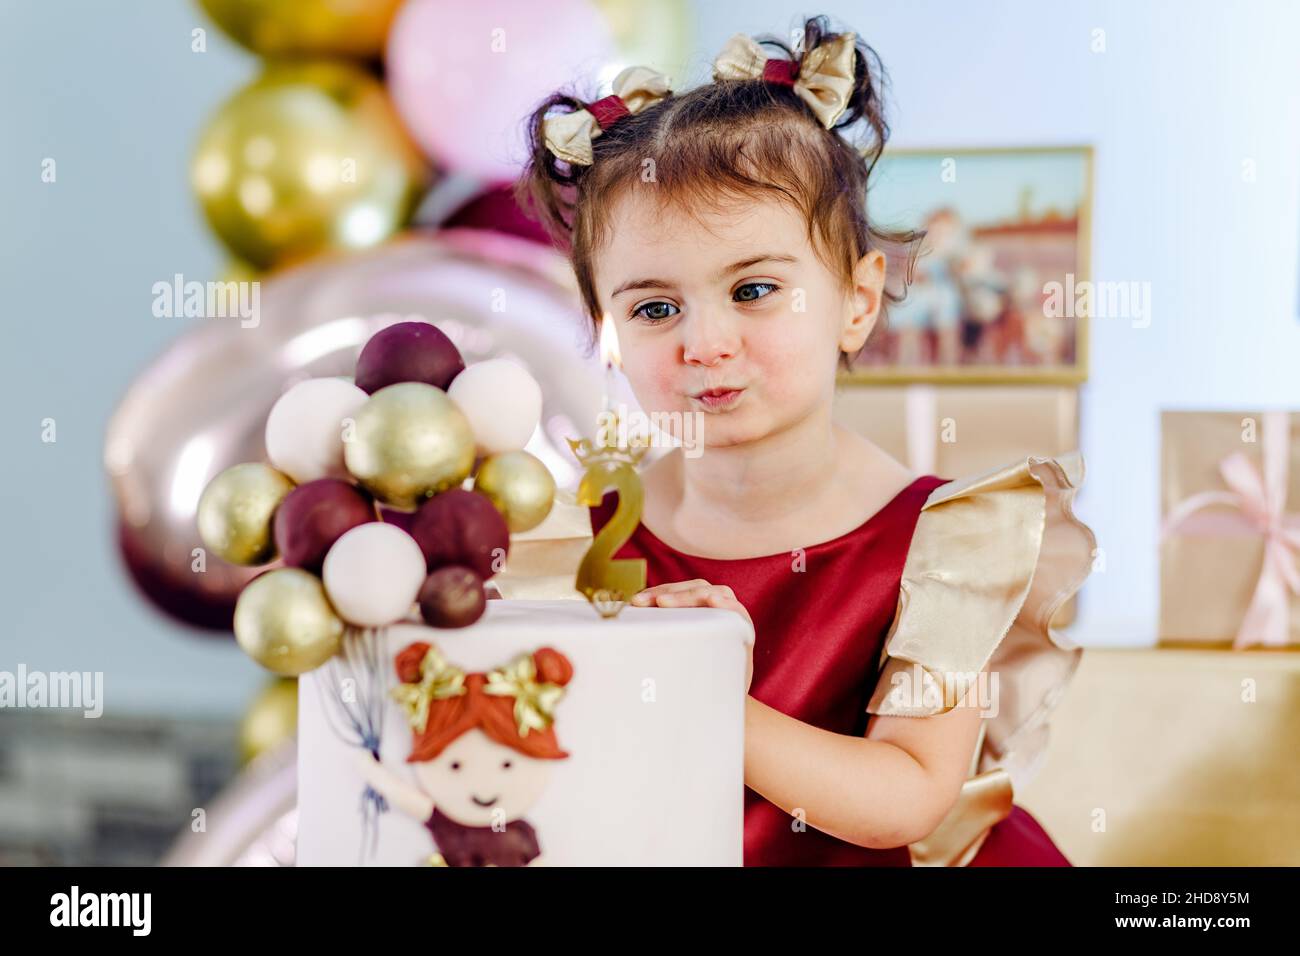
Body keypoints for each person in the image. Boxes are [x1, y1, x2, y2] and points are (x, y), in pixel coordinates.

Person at [516, 14, 1096, 866]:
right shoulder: (583, 531)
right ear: (605, 327)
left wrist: (705, 688)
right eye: (654, 308)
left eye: (753, 290)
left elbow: (905, 795)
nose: (704, 342)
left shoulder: (944, 541)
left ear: (857, 303)